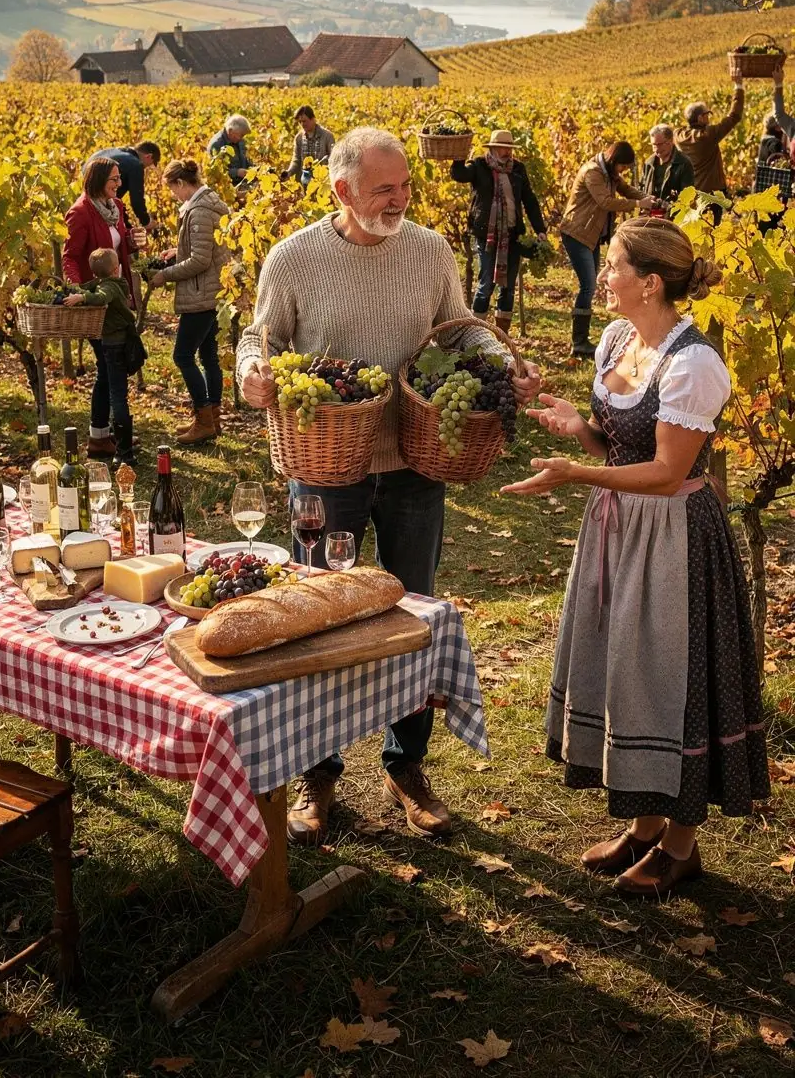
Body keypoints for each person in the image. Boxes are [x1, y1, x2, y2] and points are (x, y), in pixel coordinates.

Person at [237, 126, 540, 846]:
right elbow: (260, 338)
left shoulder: (430, 250)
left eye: (405, 187)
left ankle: (407, 767)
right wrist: (251, 371)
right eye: (385, 190)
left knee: (411, 616)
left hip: (411, 462)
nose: (401, 199)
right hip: (324, 466)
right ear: (341, 191)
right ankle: (318, 773)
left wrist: (501, 362)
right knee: (315, 624)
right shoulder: (294, 257)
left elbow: (462, 333)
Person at [501, 218, 769, 900]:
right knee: (627, 669)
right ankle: (647, 826)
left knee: (665, 678)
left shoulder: (693, 364)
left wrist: (573, 474)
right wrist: (578, 427)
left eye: (614, 265)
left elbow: (663, 471)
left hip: (675, 537)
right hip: (620, 531)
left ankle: (681, 847)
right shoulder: (619, 339)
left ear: (649, 283)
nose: (604, 276)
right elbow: (615, 448)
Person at [63, 158, 145, 457]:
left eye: (119, 178)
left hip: (116, 298)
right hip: (96, 304)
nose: (119, 184)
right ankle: (104, 436)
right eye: (114, 179)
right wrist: (77, 291)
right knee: (109, 369)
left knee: (105, 370)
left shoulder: (116, 208)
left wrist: (134, 243)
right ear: (98, 180)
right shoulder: (81, 212)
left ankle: (101, 436)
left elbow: (120, 247)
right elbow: (70, 256)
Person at [149, 160, 230, 444]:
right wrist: (178, 249)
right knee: (208, 356)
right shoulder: (209, 203)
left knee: (182, 356)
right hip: (213, 292)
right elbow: (202, 248)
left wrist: (165, 275)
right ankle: (213, 419)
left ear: (182, 184)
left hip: (201, 294)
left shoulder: (198, 212)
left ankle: (204, 420)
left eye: (173, 189)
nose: (173, 195)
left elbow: (200, 260)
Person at [559, 141, 651, 359]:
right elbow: (605, 202)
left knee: (589, 285)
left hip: (589, 235)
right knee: (589, 285)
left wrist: (645, 198)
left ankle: (581, 341)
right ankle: (579, 342)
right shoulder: (593, 172)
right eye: (623, 166)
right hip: (576, 232)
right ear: (614, 160)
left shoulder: (608, 172)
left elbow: (625, 189)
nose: (624, 171)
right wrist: (638, 205)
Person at [450, 128, 546, 333]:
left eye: (509, 148)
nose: (507, 152)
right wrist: (458, 158)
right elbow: (459, 175)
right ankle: (475, 332)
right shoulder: (479, 166)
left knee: (508, 287)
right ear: (492, 149)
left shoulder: (518, 169)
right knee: (486, 284)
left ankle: (502, 336)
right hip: (487, 235)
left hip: (513, 235)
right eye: (503, 148)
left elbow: (529, 200)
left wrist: (540, 229)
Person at [64, 248, 139, 466]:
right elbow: (91, 288)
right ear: (116, 269)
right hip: (112, 345)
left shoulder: (111, 286)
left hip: (116, 347)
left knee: (118, 397)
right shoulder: (109, 281)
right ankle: (123, 448)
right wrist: (75, 290)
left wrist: (82, 297)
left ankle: (124, 452)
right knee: (118, 395)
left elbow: (100, 297)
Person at [676, 79, 745, 195]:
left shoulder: (678, 135)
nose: (709, 118)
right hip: (712, 192)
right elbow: (734, 116)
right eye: (707, 115)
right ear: (700, 118)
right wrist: (738, 86)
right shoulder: (708, 135)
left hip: (691, 191)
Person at [87, 142, 161, 230]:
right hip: (101, 208)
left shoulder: (114, 151)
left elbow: (116, 201)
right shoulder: (135, 165)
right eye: (149, 165)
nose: (146, 168)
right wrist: (146, 222)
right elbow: (137, 201)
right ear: (148, 156)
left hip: (87, 199)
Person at [639, 124, 695, 212]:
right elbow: (641, 189)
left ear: (670, 142)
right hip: (650, 216)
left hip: (673, 217)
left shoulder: (683, 163)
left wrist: (668, 207)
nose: (656, 149)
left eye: (660, 145)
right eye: (654, 145)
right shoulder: (649, 163)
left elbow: (688, 196)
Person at [283, 105, 334, 184]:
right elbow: (296, 160)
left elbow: (333, 158)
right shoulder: (299, 138)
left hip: (323, 181)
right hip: (305, 181)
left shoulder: (327, 136)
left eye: (304, 121)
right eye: (300, 122)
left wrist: (322, 163)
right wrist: (289, 172)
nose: (302, 124)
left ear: (313, 119)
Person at [207, 115, 251, 186]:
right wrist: (236, 172)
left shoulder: (239, 141)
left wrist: (254, 169)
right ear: (230, 131)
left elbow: (244, 159)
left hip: (242, 183)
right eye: (241, 135)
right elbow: (215, 173)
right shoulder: (216, 145)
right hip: (227, 186)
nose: (242, 138)